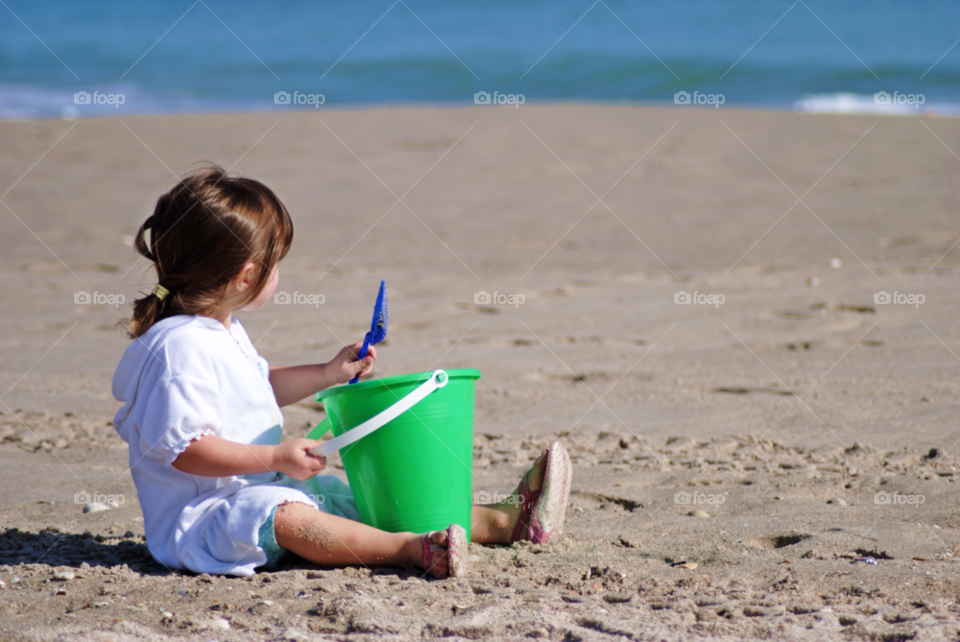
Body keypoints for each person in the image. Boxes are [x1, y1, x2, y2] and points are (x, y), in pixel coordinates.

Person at [112, 166, 572, 578]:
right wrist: (273, 458)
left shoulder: (222, 331)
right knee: (287, 515)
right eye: (278, 264)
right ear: (246, 276)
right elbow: (184, 450)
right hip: (205, 518)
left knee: (365, 502)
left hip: (263, 485)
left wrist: (329, 372)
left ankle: (502, 522)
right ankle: (410, 550)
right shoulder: (178, 348)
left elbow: (260, 386)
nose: (281, 273)